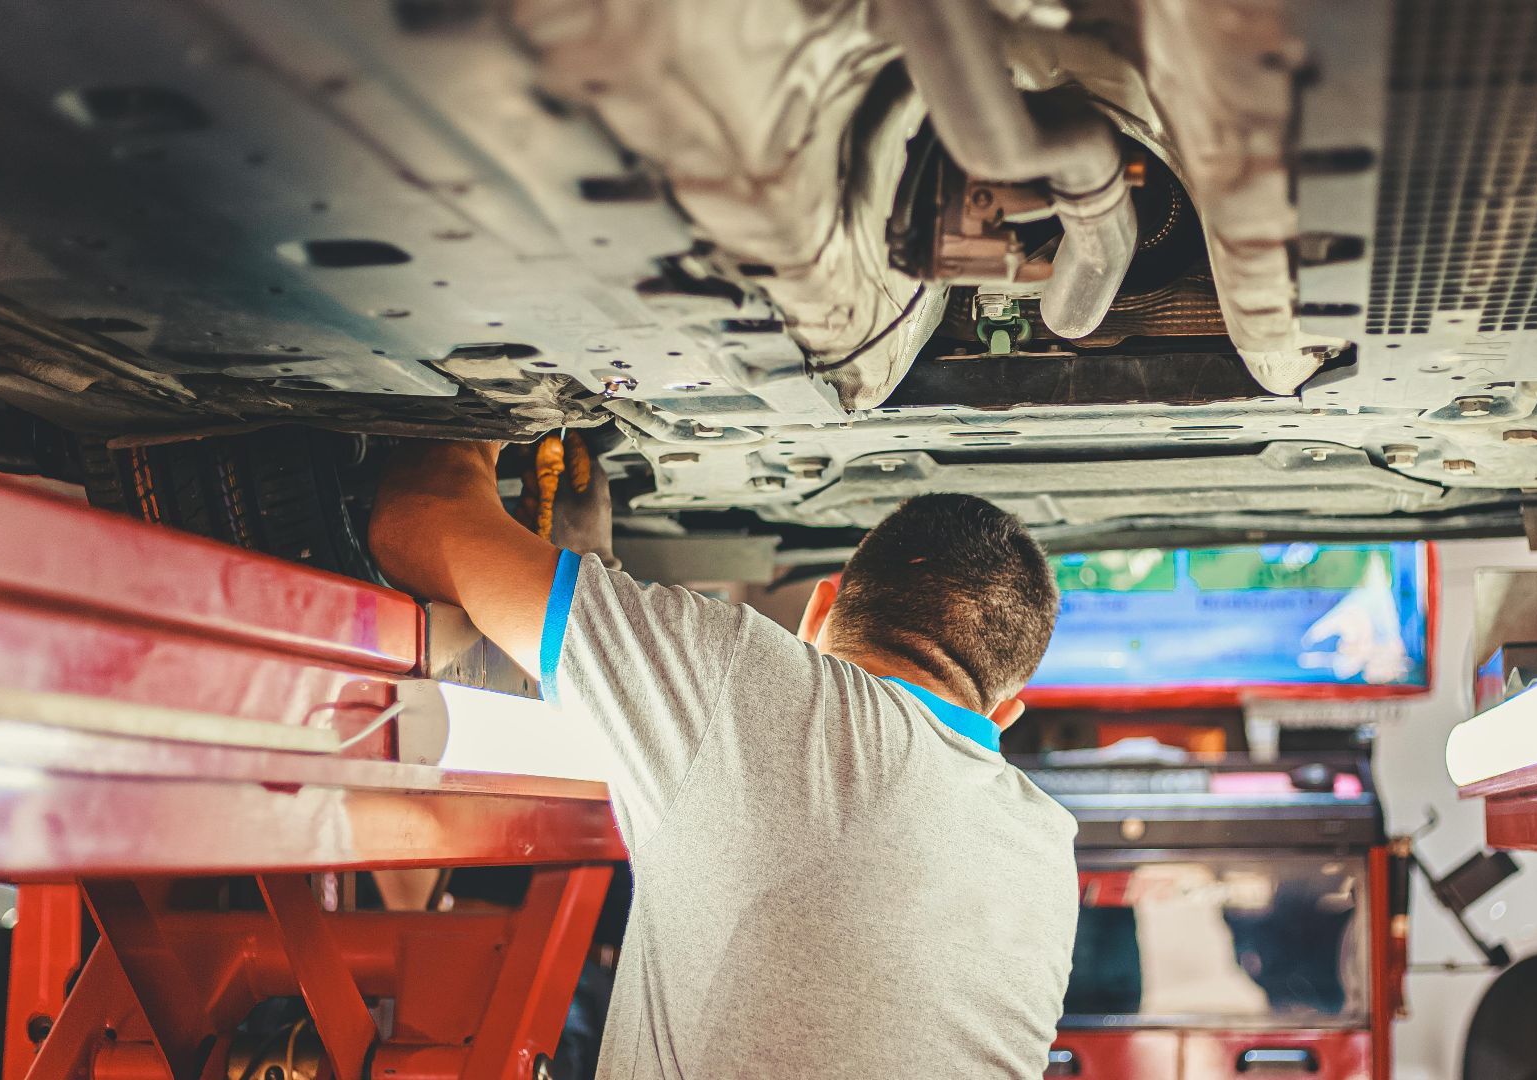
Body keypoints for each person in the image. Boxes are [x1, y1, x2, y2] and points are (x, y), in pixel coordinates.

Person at [368, 439, 1079, 1080]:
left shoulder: (755, 688)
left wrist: (490, 414)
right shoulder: (1047, 852)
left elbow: (418, 519)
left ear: (818, 610)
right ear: (1001, 717)